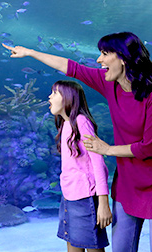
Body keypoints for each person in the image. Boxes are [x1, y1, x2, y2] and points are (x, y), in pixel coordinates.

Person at [3, 32, 152, 252]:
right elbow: (71, 68)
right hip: (128, 184)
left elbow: (151, 146)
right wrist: (30, 52)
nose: (99, 60)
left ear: (123, 58)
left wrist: (107, 149)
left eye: (104, 53)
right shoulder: (110, 84)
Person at [49, 80, 112, 252]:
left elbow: (98, 162)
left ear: (68, 98)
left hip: (86, 198)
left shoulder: (81, 121)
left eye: (55, 93)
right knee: (72, 242)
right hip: (69, 196)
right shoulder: (65, 124)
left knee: (92, 245)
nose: (50, 97)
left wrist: (103, 202)